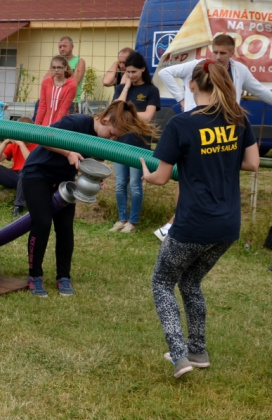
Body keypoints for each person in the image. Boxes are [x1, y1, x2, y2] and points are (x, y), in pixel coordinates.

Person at [140, 60, 259, 378]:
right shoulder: (237, 119)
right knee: (190, 282)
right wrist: (221, 158)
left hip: (192, 224)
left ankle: (179, 356)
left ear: (192, 85)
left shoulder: (181, 123)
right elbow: (253, 163)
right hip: (227, 226)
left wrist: (146, 174)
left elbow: (162, 178)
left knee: (162, 282)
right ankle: (198, 351)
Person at [22, 101, 156, 297]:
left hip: (64, 179)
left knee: (65, 227)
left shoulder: (102, 138)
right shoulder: (75, 123)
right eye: (111, 134)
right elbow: (42, 137)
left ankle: (63, 277)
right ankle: (35, 276)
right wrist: (67, 152)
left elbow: (93, 161)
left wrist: (96, 177)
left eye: (115, 138)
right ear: (104, 119)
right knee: (42, 223)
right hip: (37, 173)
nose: (111, 139)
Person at [154, 34, 272, 241]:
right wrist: (181, 98)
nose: (217, 57)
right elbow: (166, 73)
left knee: (217, 181)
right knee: (188, 179)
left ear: (232, 52)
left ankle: (186, 225)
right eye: (215, 52)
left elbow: (260, 91)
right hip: (196, 128)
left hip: (224, 126)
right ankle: (175, 223)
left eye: (222, 53)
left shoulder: (239, 71)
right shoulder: (199, 67)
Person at [108, 51, 160, 234]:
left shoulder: (151, 91)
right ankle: (121, 219)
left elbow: (148, 116)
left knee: (135, 184)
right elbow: (116, 111)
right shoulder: (121, 89)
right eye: (127, 72)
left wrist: (127, 115)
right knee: (120, 183)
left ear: (143, 69)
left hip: (139, 143)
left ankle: (133, 221)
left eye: (134, 72)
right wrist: (125, 87)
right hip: (120, 143)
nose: (130, 75)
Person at [0, 117, 36, 217]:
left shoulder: (37, 144)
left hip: (30, 177)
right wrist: (4, 143)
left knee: (25, 169)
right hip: (15, 176)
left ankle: (19, 206)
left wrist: (22, 144)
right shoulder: (14, 144)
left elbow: (31, 163)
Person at [42, 36, 86, 114]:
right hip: (55, 101)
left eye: (65, 46)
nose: (62, 49)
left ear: (72, 47)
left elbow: (75, 82)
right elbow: (45, 82)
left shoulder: (79, 61)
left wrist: (57, 79)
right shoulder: (56, 63)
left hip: (72, 102)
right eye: (60, 47)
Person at [35, 56, 77, 127]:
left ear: (65, 68)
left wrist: (54, 126)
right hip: (44, 124)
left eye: (59, 67)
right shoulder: (46, 82)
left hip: (60, 125)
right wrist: (36, 125)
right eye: (54, 67)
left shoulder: (72, 85)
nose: (56, 70)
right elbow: (42, 105)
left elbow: (64, 108)